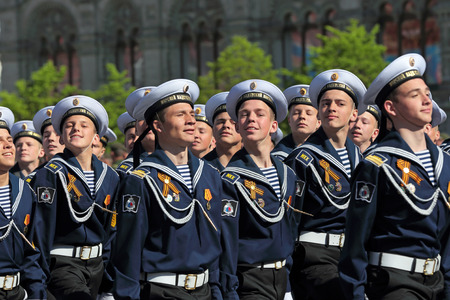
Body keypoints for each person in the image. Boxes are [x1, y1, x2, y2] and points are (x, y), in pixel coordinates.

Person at [339, 53, 450, 300]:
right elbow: (356, 241)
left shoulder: (445, 163)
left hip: (437, 283)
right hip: (393, 282)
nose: (426, 100)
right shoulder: (377, 165)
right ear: (391, 108)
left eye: (427, 93)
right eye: (414, 95)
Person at [113, 79, 232, 300]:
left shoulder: (209, 175)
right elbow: (127, 251)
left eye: (191, 114)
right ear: (158, 126)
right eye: (180, 115)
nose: (191, 122)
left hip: (205, 290)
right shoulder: (141, 179)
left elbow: (214, 241)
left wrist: (217, 290)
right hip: (162, 291)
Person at [284, 69, 366, 300]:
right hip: (314, 256)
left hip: (352, 254)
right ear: (319, 110)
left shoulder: (361, 159)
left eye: (340, 103)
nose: (332, 108)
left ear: (354, 113)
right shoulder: (302, 158)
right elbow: (290, 222)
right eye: (326, 103)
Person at [30, 95, 119, 299]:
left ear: (96, 137)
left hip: (97, 266)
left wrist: (108, 282)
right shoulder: (50, 174)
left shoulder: (111, 176)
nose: (76, 129)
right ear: (61, 137)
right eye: (69, 125)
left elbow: (111, 231)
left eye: (84, 125)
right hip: (62, 265)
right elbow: (41, 232)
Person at [221, 79, 303, 300]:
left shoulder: (288, 174)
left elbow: (291, 230)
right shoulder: (229, 179)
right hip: (249, 279)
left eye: (259, 114)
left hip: (283, 278)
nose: (251, 120)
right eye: (244, 114)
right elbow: (226, 242)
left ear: (273, 125)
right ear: (237, 125)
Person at [0, 107, 47, 299]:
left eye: (9, 140)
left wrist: (35, 293)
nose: (8, 146)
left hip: (18, 292)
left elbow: (32, 252)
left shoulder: (25, 190)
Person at [272, 85, 321, 160]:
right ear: (289, 120)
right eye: (296, 113)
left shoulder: (329, 150)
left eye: (308, 113)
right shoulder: (277, 157)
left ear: (319, 122)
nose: (302, 116)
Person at [115, 87, 156, 177]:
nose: (147, 122)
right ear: (136, 128)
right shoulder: (125, 172)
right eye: (141, 118)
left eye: (153, 117)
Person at [203, 92, 242, 171]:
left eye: (233, 122)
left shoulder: (255, 163)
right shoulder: (202, 167)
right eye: (220, 122)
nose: (226, 125)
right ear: (213, 129)